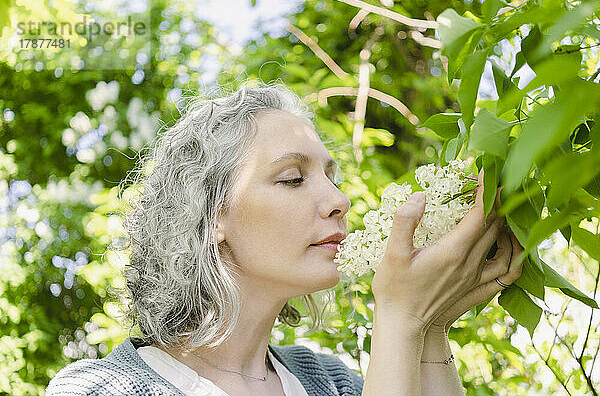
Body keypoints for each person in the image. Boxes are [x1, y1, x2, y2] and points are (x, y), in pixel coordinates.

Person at [45, 80, 523, 396]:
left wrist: (430, 326)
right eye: (293, 178)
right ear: (212, 217)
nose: (339, 199)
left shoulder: (333, 383)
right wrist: (400, 315)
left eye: (331, 176)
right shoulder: (101, 388)